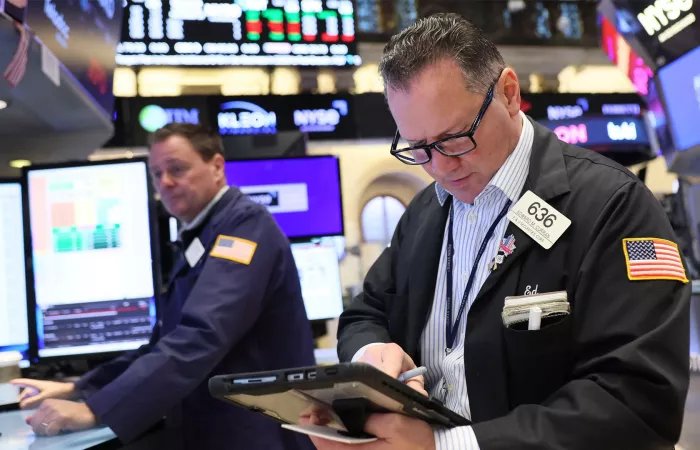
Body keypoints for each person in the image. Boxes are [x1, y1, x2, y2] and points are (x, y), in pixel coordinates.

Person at [306, 13, 690, 450]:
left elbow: (637, 404)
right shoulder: (425, 212)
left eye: (455, 138)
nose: (441, 167)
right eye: (418, 148)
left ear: (509, 94)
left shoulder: (613, 206)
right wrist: (371, 355)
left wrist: (446, 446)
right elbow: (366, 313)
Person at [13, 123, 316, 449]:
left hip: (259, 436)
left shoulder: (245, 228)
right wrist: (81, 388)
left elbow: (200, 335)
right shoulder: (202, 235)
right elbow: (163, 343)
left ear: (217, 167)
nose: (165, 182)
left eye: (177, 169)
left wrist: (96, 410)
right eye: (157, 174)